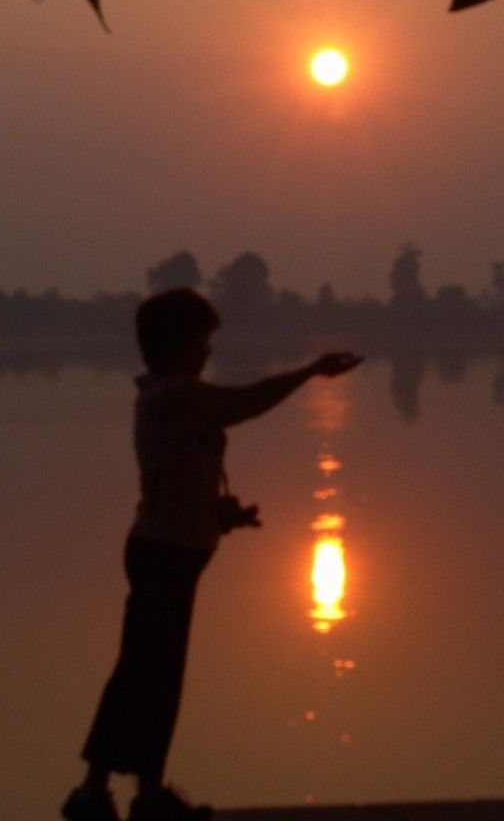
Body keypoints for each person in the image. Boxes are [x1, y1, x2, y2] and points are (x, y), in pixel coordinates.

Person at [62, 287, 363, 821]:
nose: (207, 354)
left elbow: (181, 478)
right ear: (174, 348)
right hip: (161, 556)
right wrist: (309, 372)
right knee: (143, 674)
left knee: (154, 675)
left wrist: (223, 516)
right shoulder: (169, 397)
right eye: (201, 343)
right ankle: (101, 794)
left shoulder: (180, 398)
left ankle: (134, 792)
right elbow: (239, 405)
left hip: (178, 553)